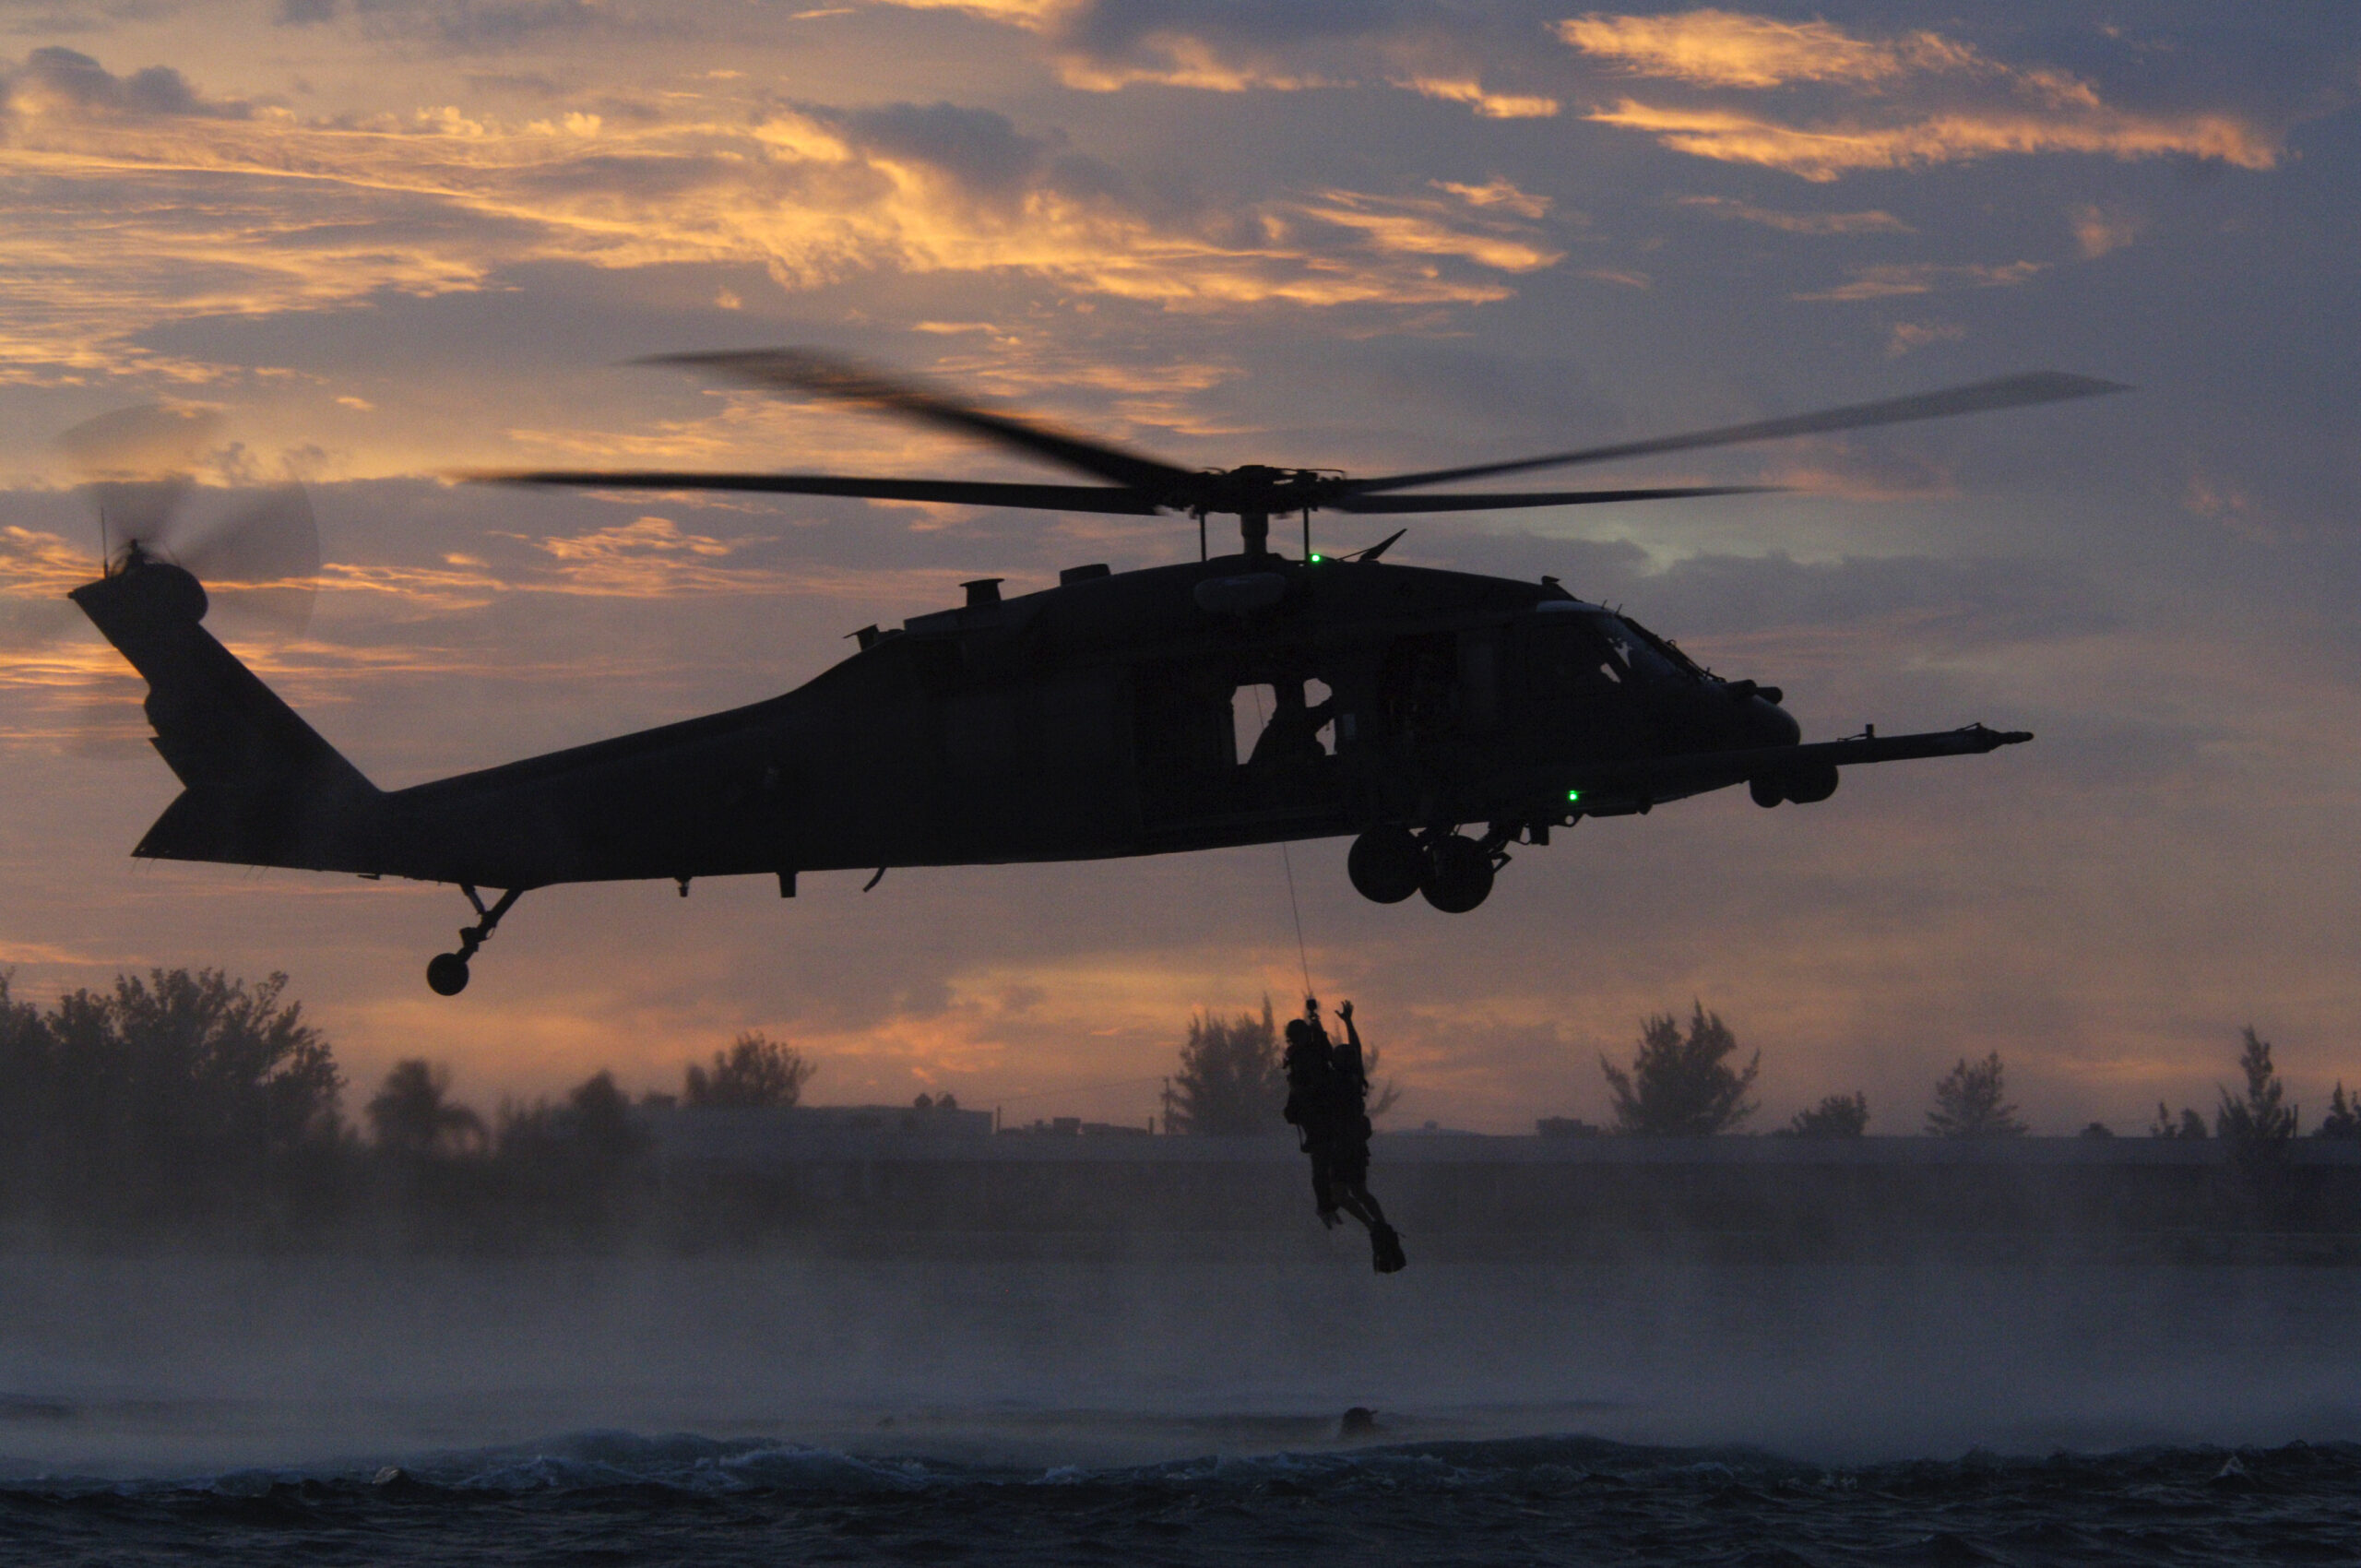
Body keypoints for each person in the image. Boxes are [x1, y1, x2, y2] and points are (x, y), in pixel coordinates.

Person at [1282, 998, 1406, 1273]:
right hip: (1355, 1146)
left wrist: (1321, 1028)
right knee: (1359, 1190)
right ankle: (1379, 1225)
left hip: (1342, 1146)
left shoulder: (1335, 1081)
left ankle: (1374, 1226)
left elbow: (1319, 1067)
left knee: (1341, 1193)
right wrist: (1346, 1023)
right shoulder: (1352, 1078)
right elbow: (1352, 1049)